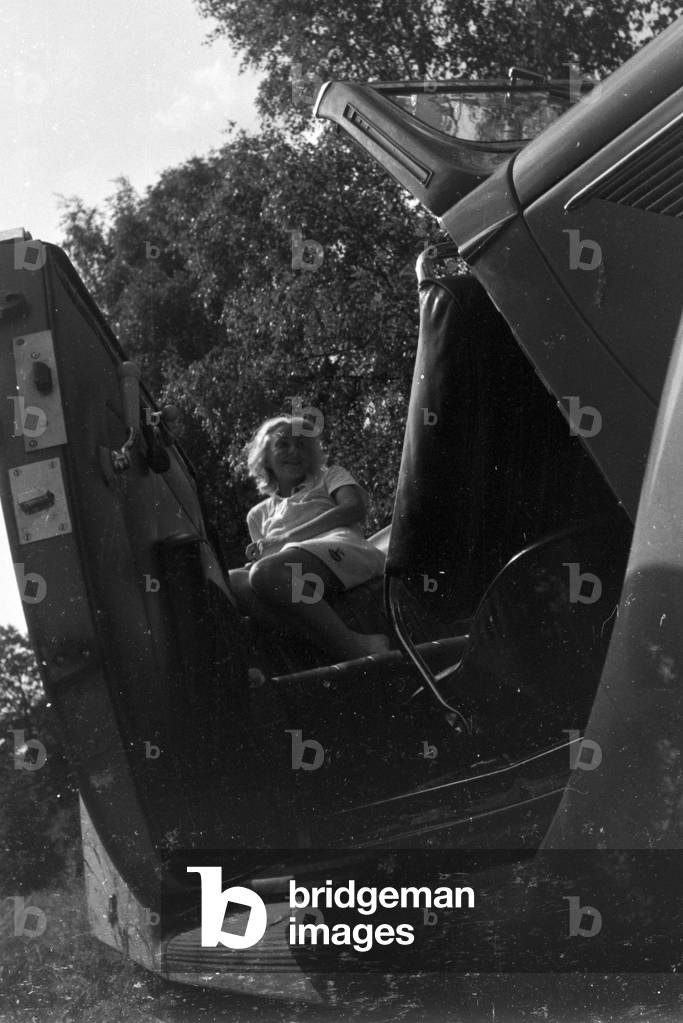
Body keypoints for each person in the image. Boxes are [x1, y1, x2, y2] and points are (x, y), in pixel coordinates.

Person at [228, 415, 390, 661]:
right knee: (230, 580)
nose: (294, 451)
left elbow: (354, 508)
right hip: (292, 571)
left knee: (265, 572)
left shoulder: (330, 476)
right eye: (283, 444)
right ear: (266, 457)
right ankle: (336, 640)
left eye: (302, 445)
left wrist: (285, 538)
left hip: (342, 547)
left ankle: (354, 648)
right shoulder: (257, 515)